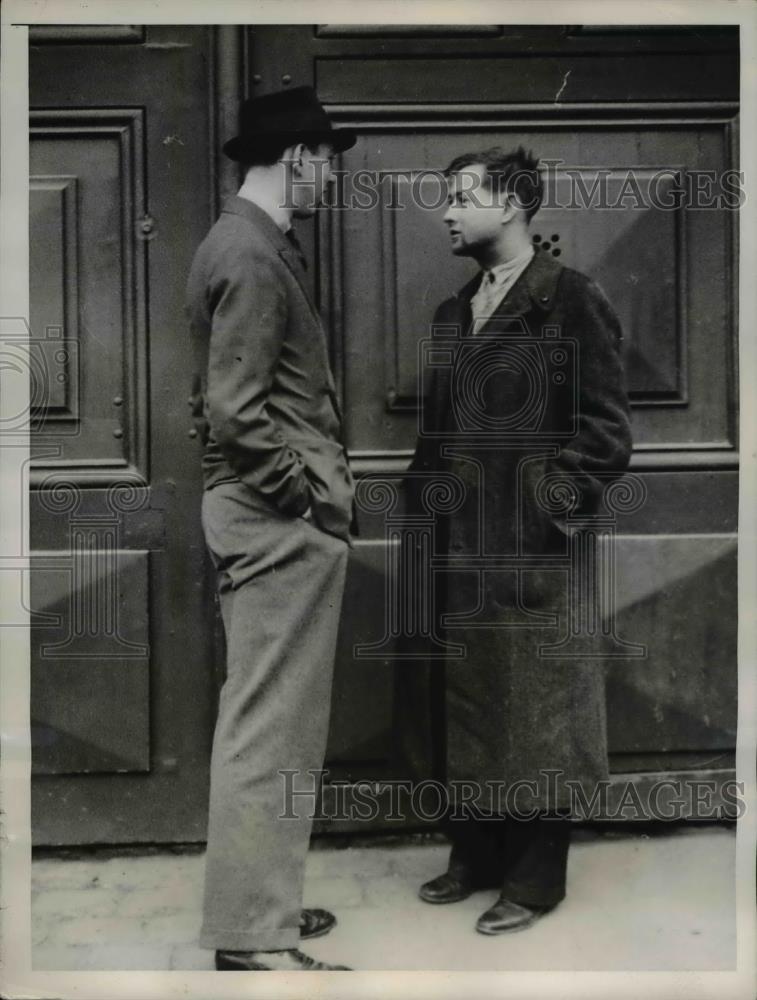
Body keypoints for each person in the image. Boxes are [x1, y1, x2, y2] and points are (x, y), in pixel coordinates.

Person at [407, 146, 633, 934]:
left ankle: (535, 880)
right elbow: (436, 435)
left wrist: (541, 513)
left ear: (509, 204)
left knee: (538, 711)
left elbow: (605, 434)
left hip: (531, 549)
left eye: (461, 198)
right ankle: (474, 853)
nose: (446, 212)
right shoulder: (453, 312)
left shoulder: (569, 299)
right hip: (456, 548)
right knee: (469, 701)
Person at [186, 86, 357, 971]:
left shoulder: (248, 242)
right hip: (273, 520)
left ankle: (264, 908)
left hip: (267, 518)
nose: (331, 176)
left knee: (274, 724)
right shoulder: (251, 252)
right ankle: (252, 937)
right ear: (297, 157)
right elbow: (234, 413)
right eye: (327, 159)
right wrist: (305, 499)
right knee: (268, 729)